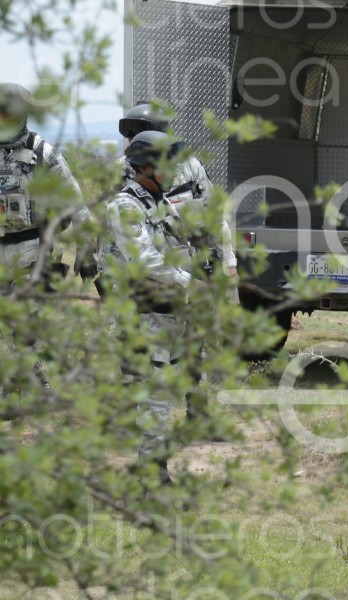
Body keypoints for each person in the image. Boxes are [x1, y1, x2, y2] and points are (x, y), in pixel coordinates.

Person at [119, 102, 236, 424]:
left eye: (135, 131)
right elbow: (114, 230)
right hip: (144, 273)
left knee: (193, 344)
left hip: (190, 264)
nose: (130, 138)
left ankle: (197, 410)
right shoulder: (125, 171)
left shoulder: (190, 166)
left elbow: (213, 214)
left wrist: (227, 260)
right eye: (129, 132)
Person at [98, 130, 201, 483]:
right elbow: (146, 261)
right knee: (156, 399)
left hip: (169, 314)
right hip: (145, 315)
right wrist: (191, 284)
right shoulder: (125, 206)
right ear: (145, 167)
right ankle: (152, 475)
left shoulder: (159, 202)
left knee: (161, 397)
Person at [0, 82, 91, 284]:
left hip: (33, 252)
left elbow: (76, 203)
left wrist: (85, 250)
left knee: (31, 314)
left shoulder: (42, 152)